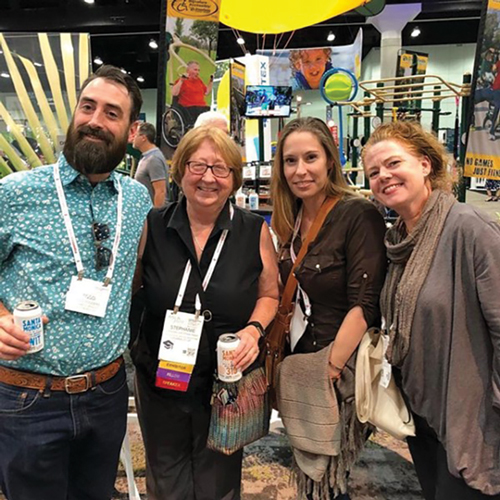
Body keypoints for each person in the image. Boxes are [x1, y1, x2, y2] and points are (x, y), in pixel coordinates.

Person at [0, 65, 152, 500]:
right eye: (88, 107)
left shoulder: (137, 199)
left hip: (106, 395)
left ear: (131, 130)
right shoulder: (15, 193)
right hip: (28, 398)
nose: (95, 121)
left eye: (111, 113)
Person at [131, 126, 279, 500]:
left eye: (220, 168)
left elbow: (269, 295)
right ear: (180, 171)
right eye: (197, 165)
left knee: (220, 483)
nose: (208, 178)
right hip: (161, 379)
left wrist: (254, 330)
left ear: (233, 178)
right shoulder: (153, 225)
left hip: (226, 383)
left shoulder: (253, 231)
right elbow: (130, 290)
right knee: (166, 479)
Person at [362, 120, 500, 499]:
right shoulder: (399, 241)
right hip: (423, 412)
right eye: (373, 172)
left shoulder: (470, 229)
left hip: (473, 418)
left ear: (425, 164)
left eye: (393, 163)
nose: (383, 176)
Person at [271, 117, 387, 499]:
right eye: (290, 161)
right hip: (300, 367)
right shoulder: (290, 218)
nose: (300, 170)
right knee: (311, 477)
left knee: (329, 480)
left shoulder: (358, 214)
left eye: (310, 158)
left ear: (329, 161)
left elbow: (365, 303)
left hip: (337, 372)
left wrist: (330, 369)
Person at [133, 121, 169, 207]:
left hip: (151, 212)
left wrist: (155, 214)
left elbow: (161, 191)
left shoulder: (154, 159)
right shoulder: (146, 156)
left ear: (143, 138)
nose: (133, 138)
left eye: (135, 135)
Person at [171, 61, 213, 127]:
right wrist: (181, 81)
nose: (197, 72)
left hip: (202, 108)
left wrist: (211, 81)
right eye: (195, 70)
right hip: (189, 109)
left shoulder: (199, 81)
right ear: (188, 70)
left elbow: (206, 92)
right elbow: (174, 93)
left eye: (198, 70)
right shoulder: (182, 81)